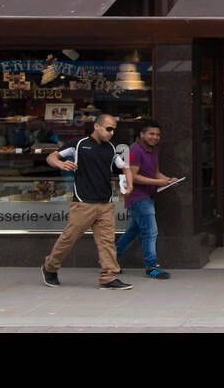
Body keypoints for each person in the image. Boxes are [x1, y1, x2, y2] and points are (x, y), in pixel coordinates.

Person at [42, 114, 136, 289]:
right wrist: (61, 164)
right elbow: (51, 157)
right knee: (68, 238)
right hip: (83, 202)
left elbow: (125, 167)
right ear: (97, 126)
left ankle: (107, 277)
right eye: (109, 128)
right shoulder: (78, 144)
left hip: (106, 203)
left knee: (107, 242)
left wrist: (129, 184)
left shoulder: (111, 148)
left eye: (114, 129)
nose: (111, 132)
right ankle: (50, 267)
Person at [115, 119, 177, 279]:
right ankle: (152, 267)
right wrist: (159, 182)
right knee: (150, 232)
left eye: (157, 134)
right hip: (137, 197)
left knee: (134, 231)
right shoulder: (134, 151)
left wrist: (169, 180)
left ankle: (109, 259)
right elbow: (133, 177)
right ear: (141, 134)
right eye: (151, 134)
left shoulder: (154, 150)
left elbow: (155, 173)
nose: (155, 137)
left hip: (146, 196)